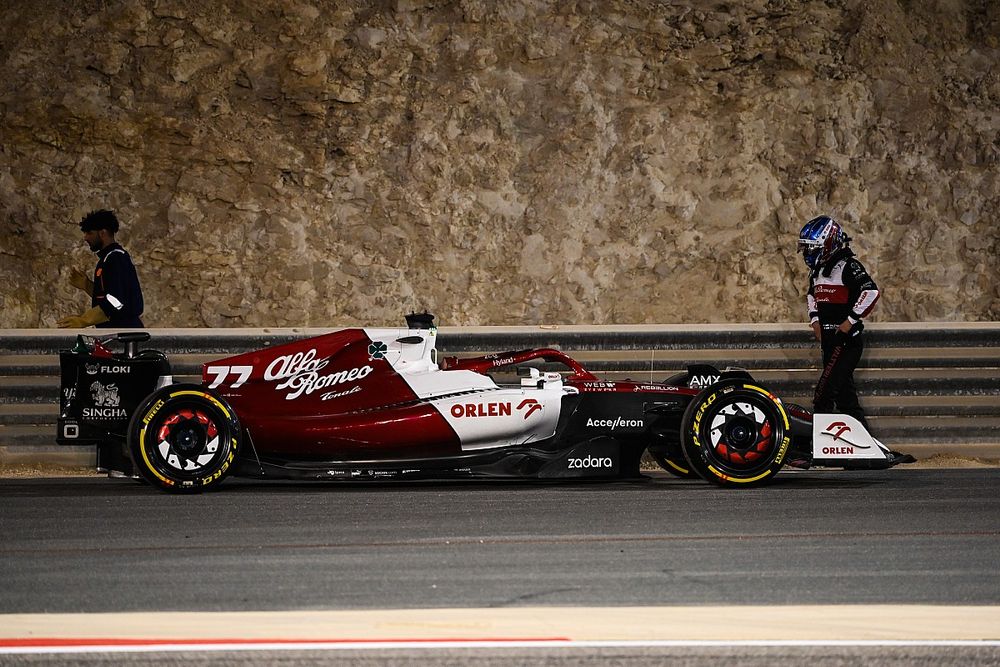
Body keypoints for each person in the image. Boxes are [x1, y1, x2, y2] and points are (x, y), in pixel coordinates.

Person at [797, 215, 878, 429]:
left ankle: (819, 444)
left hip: (846, 343)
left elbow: (870, 291)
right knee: (845, 398)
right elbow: (811, 296)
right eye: (806, 248)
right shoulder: (816, 272)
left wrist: (849, 321)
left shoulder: (848, 266)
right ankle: (864, 446)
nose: (808, 253)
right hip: (829, 344)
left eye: (812, 248)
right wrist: (815, 321)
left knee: (823, 393)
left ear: (827, 244)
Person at [58, 209, 145, 329]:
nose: (85, 238)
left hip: (122, 334)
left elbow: (117, 301)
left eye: (89, 233)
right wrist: (87, 285)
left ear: (102, 233)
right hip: (116, 331)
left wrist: (84, 320)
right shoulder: (108, 259)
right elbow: (109, 296)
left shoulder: (115, 259)